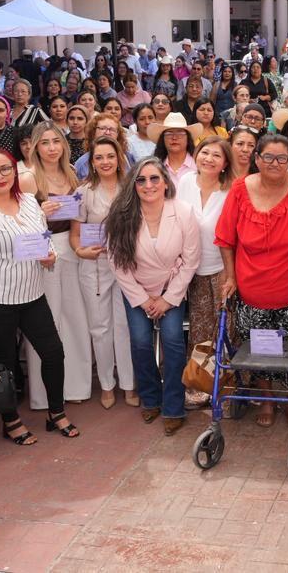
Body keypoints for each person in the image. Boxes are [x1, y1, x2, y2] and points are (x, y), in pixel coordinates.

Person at [0, 147, 75, 445]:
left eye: (5, 169)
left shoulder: (29, 203)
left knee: (53, 353)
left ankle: (56, 412)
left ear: (14, 171)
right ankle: (10, 421)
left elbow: (43, 241)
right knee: (6, 366)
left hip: (33, 295)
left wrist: (49, 256)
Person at [215, 134, 288, 430]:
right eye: (268, 157)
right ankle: (266, 398)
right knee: (260, 349)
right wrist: (230, 276)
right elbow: (225, 239)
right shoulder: (240, 189)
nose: (275, 163)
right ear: (257, 159)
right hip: (252, 291)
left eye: (281, 158)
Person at [103, 158, 199, 435]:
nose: (148, 185)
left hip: (171, 289)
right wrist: (144, 300)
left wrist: (168, 299)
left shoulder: (183, 211)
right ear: (133, 185)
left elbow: (191, 260)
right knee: (141, 342)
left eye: (154, 178)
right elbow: (117, 264)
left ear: (165, 182)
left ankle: (174, 406)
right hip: (137, 290)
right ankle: (151, 398)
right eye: (141, 180)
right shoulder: (121, 214)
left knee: (173, 341)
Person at [22, 122, 93, 411]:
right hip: (43, 250)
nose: (52, 148)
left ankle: (76, 385)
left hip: (72, 249)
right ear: (35, 147)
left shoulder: (72, 173)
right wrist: (39, 213)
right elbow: (16, 222)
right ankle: (45, 394)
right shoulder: (28, 178)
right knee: (46, 321)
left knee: (75, 317)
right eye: (45, 142)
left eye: (56, 142)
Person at [71, 137, 136, 411]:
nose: (105, 162)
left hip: (127, 266)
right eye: (99, 157)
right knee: (100, 328)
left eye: (110, 156)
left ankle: (129, 384)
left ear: (119, 158)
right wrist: (80, 251)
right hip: (95, 266)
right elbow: (75, 235)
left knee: (124, 327)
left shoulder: (131, 187)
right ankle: (107, 385)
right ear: (92, 162)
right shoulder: (83, 192)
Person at [175, 136, 233, 409]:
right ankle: (200, 384)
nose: (209, 159)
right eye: (205, 152)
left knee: (225, 329)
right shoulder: (185, 182)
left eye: (216, 155)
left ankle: (227, 384)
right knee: (200, 332)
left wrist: (231, 274)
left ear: (225, 163)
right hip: (192, 269)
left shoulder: (231, 190)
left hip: (223, 269)